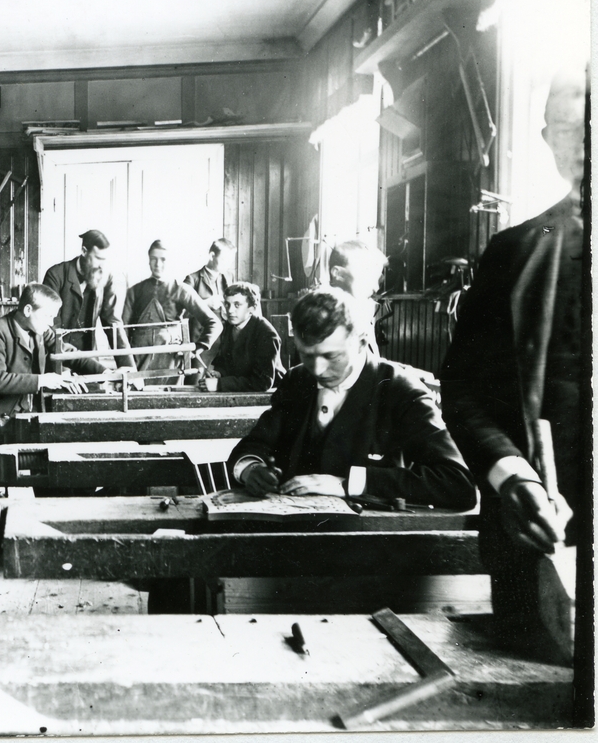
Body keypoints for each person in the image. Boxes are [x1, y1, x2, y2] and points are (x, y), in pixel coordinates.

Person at [439, 68, 591, 719]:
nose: (587, 143)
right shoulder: (514, 252)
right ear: (548, 138)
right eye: (572, 128)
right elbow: (463, 389)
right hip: (537, 538)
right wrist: (509, 472)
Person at [228, 287, 476, 509]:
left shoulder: (401, 390)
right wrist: (252, 469)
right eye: (307, 355)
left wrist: (348, 483)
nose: (318, 370)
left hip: (370, 537)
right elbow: (254, 445)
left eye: (331, 356)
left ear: (361, 343)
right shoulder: (297, 380)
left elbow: (457, 483)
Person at [0, 284, 108, 567]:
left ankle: (47, 538)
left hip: (25, 420)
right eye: (48, 315)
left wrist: (106, 371)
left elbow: (68, 352)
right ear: (27, 310)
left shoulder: (41, 331)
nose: (52, 322)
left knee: (48, 473)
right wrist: (42, 380)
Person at [122, 240, 222, 373]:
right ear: (148, 260)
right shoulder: (134, 291)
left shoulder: (181, 289)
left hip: (170, 363)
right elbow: (122, 330)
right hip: (138, 362)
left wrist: (198, 347)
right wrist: (128, 365)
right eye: (153, 259)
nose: (158, 264)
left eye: (163, 259)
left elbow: (214, 323)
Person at [42, 229, 134, 368]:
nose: (102, 266)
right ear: (84, 251)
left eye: (104, 260)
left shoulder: (105, 278)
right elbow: (51, 326)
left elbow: (113, 323)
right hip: (59, 359)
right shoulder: (55, 275)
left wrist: (130, 369)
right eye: (98, 258)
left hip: (89, 360)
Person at [202, 282, 284, 392]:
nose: (230, 310)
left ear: (252, 308)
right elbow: (226, 359)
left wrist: (219, 384)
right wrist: (219, 373)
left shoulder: (267, 334)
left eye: (237, 305)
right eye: (227, 304)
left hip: (272, 394)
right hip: (242, 390)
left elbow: (262, 382)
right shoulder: (230, 326)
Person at [328, 238, 389, 355]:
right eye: (367, 275)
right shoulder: (326, 319)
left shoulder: (360, 312)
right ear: (338, 273)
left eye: (377, 279)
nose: (376, 287)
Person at [184, 238, 236, 320]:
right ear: (212, 256)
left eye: (231, 261)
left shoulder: (230, 277)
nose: (228, 264)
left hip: (226, 327)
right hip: (203, 328)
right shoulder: (192, 279)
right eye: (224, 259)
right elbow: (182, 313)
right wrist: (205, 304)